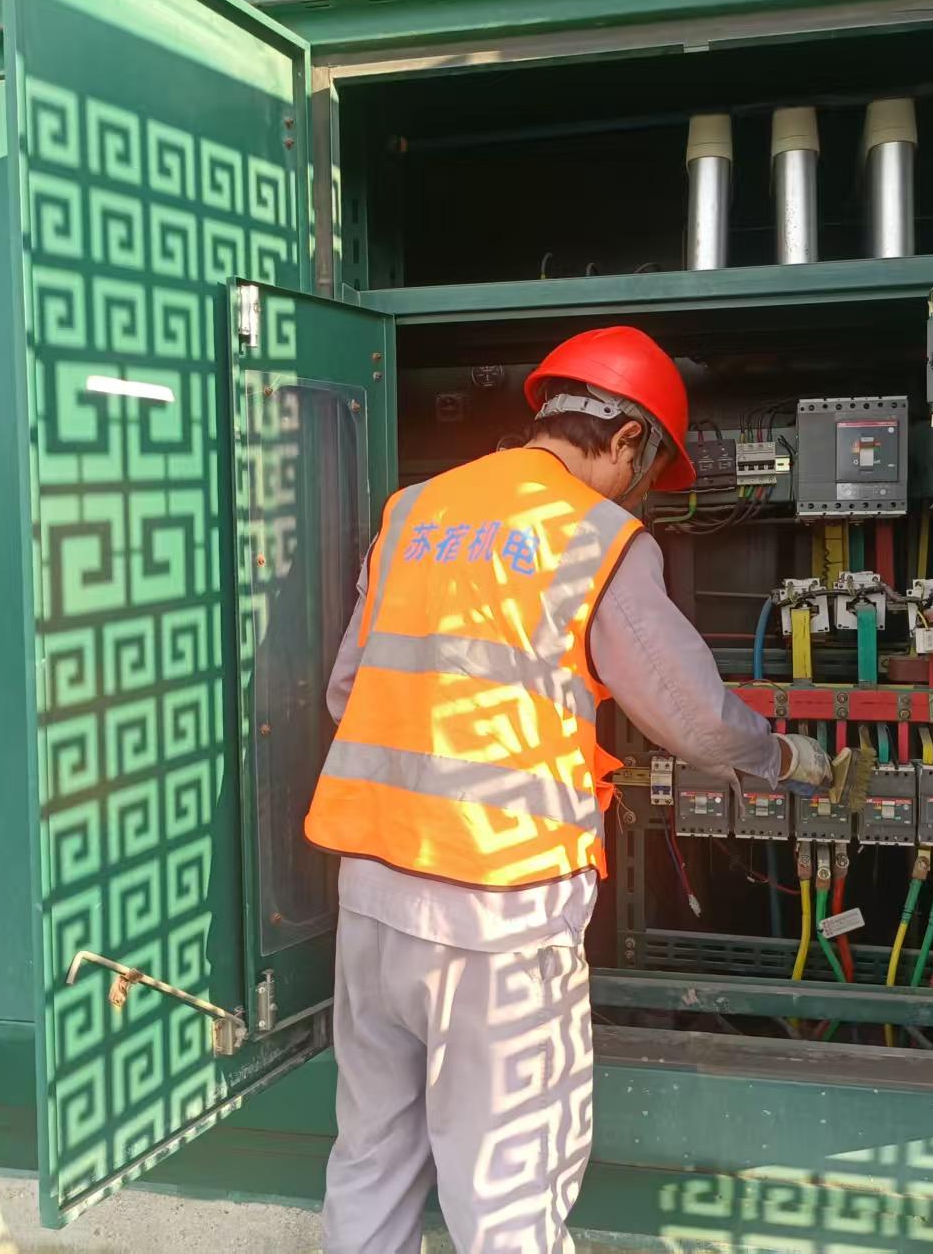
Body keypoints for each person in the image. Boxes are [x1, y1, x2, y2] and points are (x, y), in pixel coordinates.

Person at [304, 326, 833, 1253]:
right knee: (508, 1188)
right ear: (627, 440)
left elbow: (350, 690)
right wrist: (785, 759)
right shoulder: (595, 536)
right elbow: (692, 716)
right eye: (646, 470)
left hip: (372, 893)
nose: (639, 492)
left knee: (371, 1155)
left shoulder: (416, 509)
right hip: (499, 911)